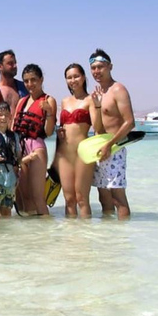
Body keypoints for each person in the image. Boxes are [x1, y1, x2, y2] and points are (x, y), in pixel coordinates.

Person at [89, 48, 135, 219]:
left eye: (100, 67)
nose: (96, 71)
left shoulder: (118, 89)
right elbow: (98, 128)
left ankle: (122, 238)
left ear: (110, 67)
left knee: (118, 198)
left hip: (115, 149)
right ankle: (109, 241)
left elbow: (129, 122)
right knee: (104, 198)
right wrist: (98, 106)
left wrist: (110, 145)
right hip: (101, 149)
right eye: (93, 68)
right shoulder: (99, 93)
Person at [12, 64, 57, 216]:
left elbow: (49, 132)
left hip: (36, 147)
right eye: (26, 81)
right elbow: (13, 128)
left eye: (33, 80)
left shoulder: (49, 100)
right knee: (24, 196)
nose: (30, 84)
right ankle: (31, 235)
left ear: (41, 80)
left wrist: (50, 113)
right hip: (20, 148)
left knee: (38, 196)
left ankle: (46, 232)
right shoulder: (21, 101)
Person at [56, 64, 99, 217]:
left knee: (81, 198)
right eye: (69, 77)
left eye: (76, 76)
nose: (73, 80)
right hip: (65, 154)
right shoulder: (64, 101)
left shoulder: (90, 100)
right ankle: (70, 238)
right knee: (69, 199)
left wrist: (98, 106)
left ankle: (86, 237)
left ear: (83, 77)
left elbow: (98, 127)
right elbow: (63, 127)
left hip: (83, 153)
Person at [0, 49, 29, 116]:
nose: (15, 66)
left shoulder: (25, 88)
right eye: (10, 63)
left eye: (15, 63)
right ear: (0, 66)